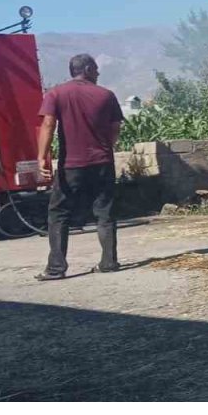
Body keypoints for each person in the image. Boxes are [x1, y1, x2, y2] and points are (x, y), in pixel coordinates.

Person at [34, 54, 125, 281]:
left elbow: (47, 124)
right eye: (95, 69)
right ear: (86, 68)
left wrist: (42, 156)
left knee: (59, 213)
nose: (98, 73)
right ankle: (109, 262)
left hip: (72, 165)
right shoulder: (106, 95)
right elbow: (115, 128)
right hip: (102, 162)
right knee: (105, 211)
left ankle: (56, 268)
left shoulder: (56, 93)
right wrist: (105, 147)